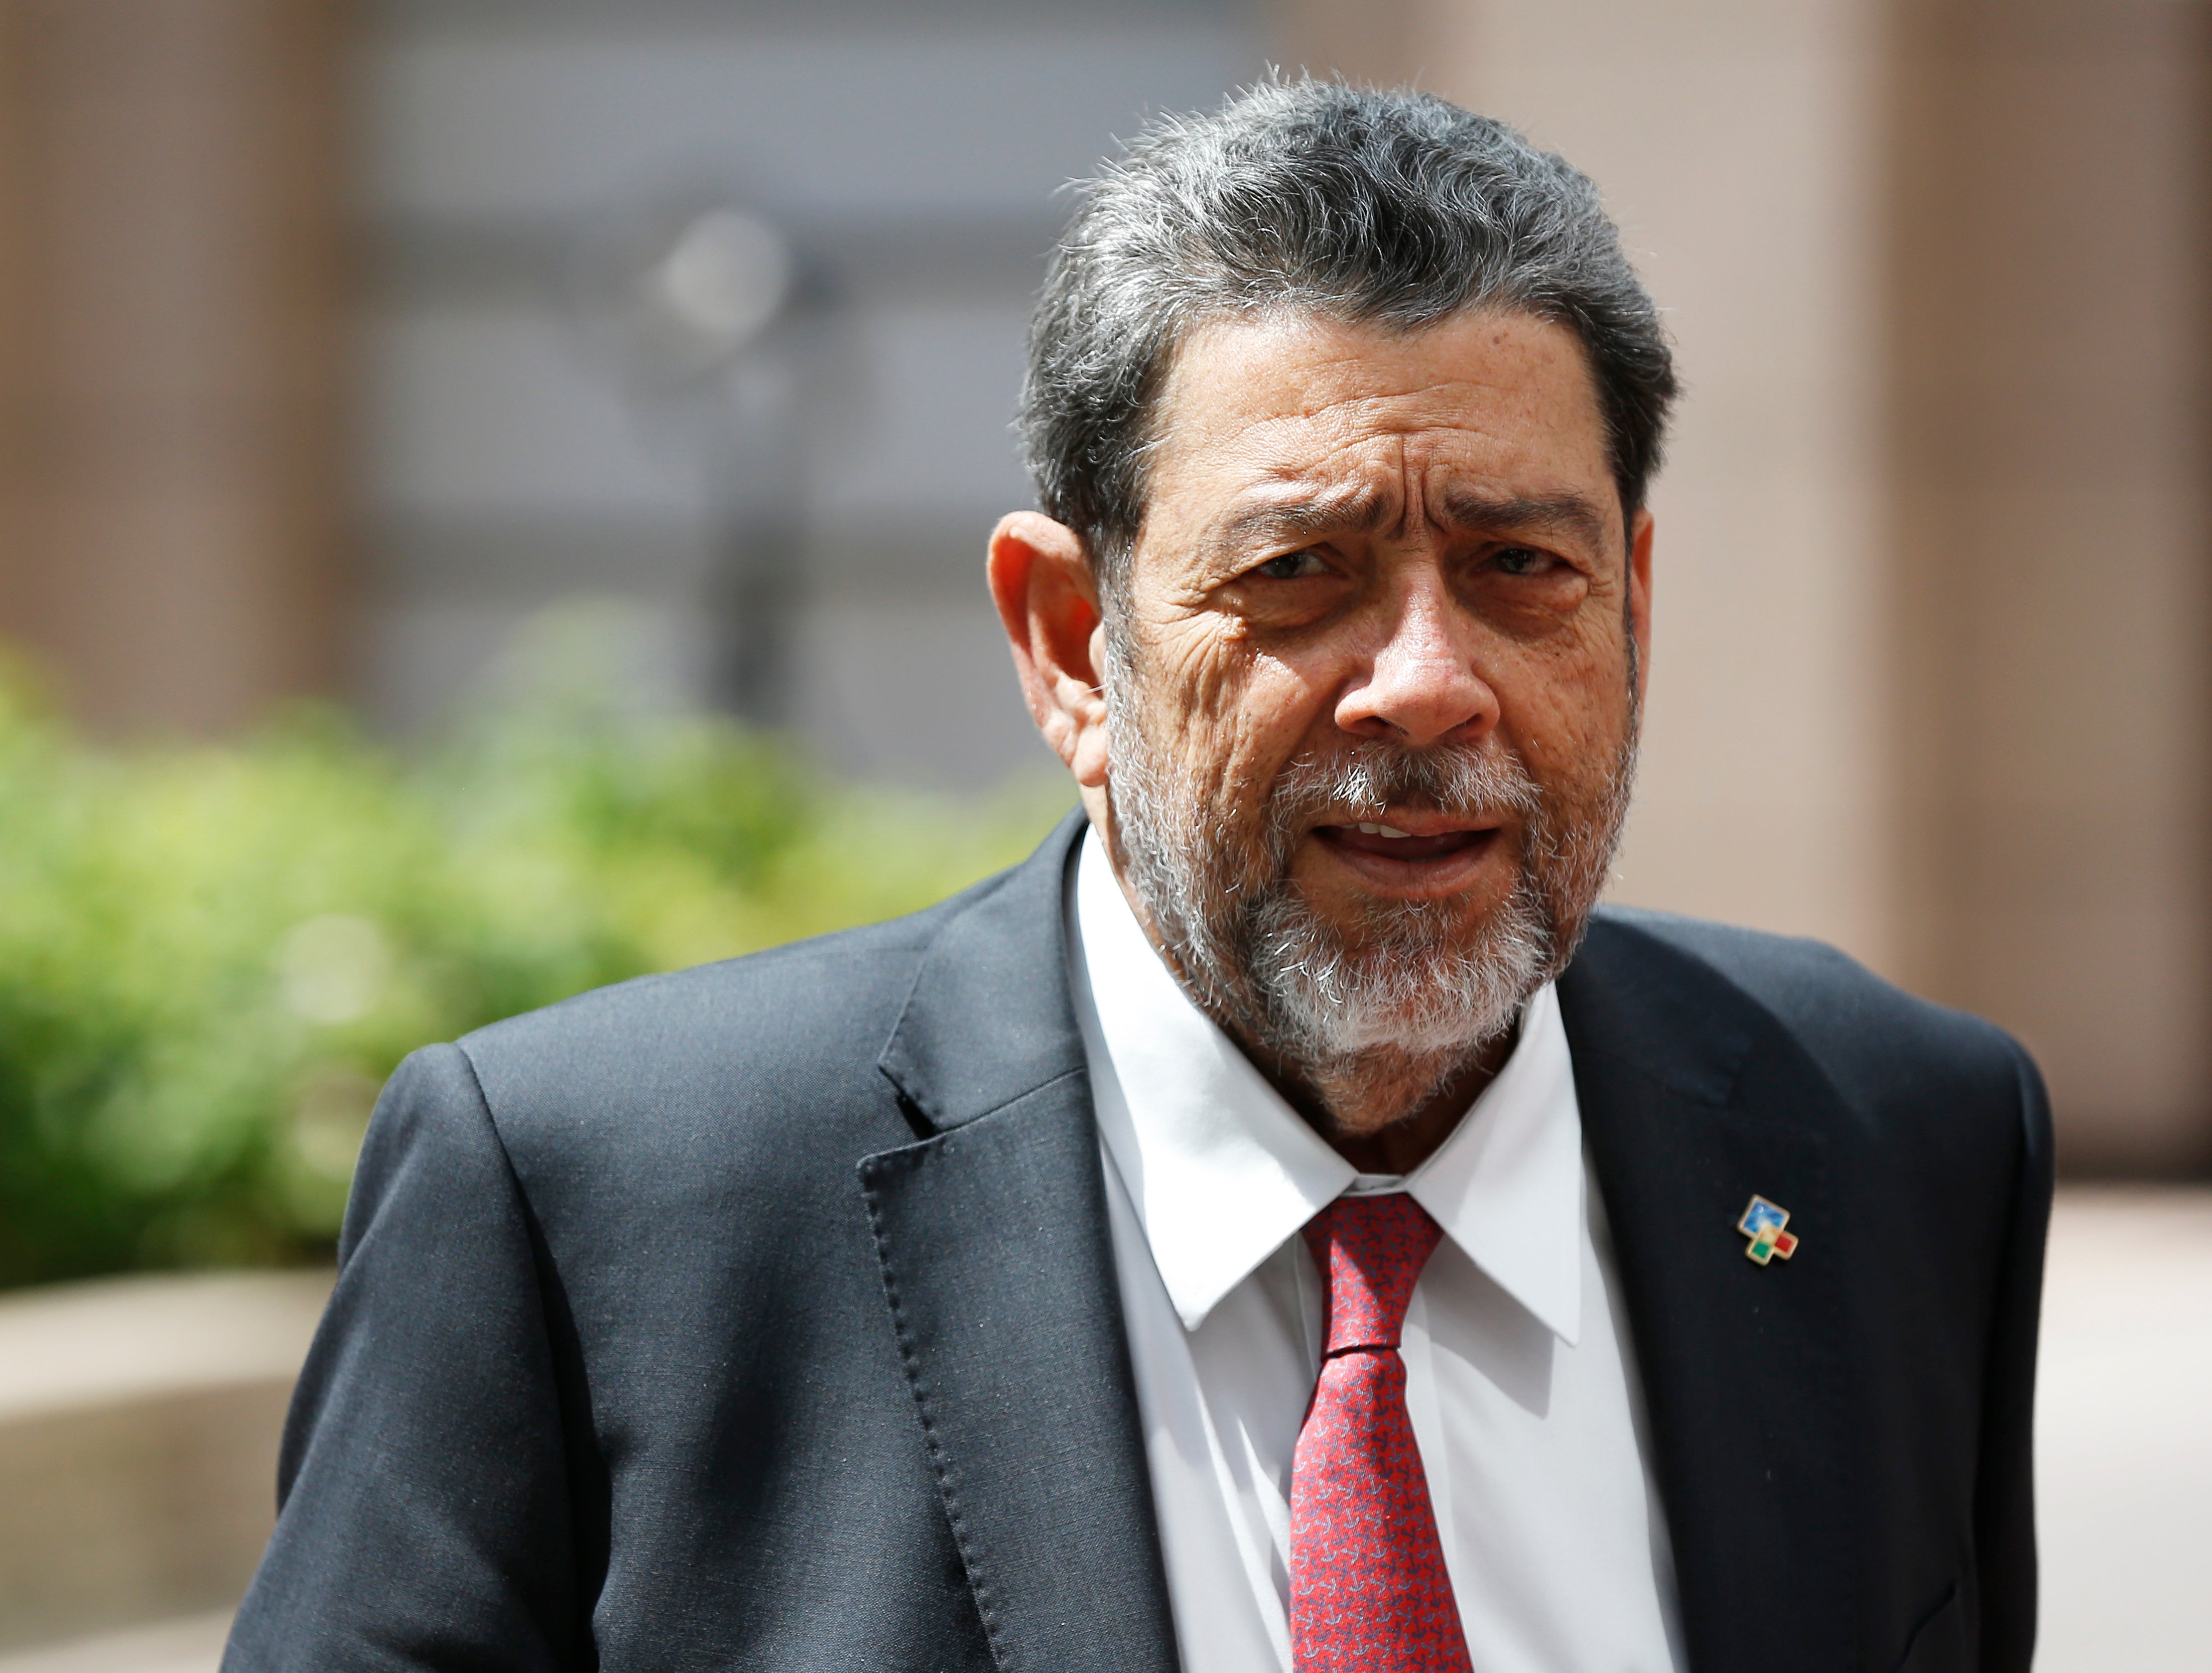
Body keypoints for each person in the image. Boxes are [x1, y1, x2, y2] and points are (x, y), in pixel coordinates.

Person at [225, 80, 2048, 1673]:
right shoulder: (592, 1207)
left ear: (1633, 606)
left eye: (1519, 567)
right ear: (1072, 645)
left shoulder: (1893, 1146)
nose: (1427, 677)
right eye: (1302, 572)